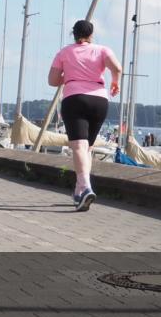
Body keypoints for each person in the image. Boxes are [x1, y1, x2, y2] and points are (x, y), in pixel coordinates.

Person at [48, 19, 122, 212]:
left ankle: (86, 186)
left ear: (73, 34)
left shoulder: (64, 52)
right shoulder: (103, 50)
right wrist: (115, 82)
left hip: (75, 98)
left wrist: (70, 75)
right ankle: (80, 190)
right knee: (86, 147)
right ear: (91, 34)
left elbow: (53, 80)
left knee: (79, 146)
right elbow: (117, 68)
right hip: (99, 100)